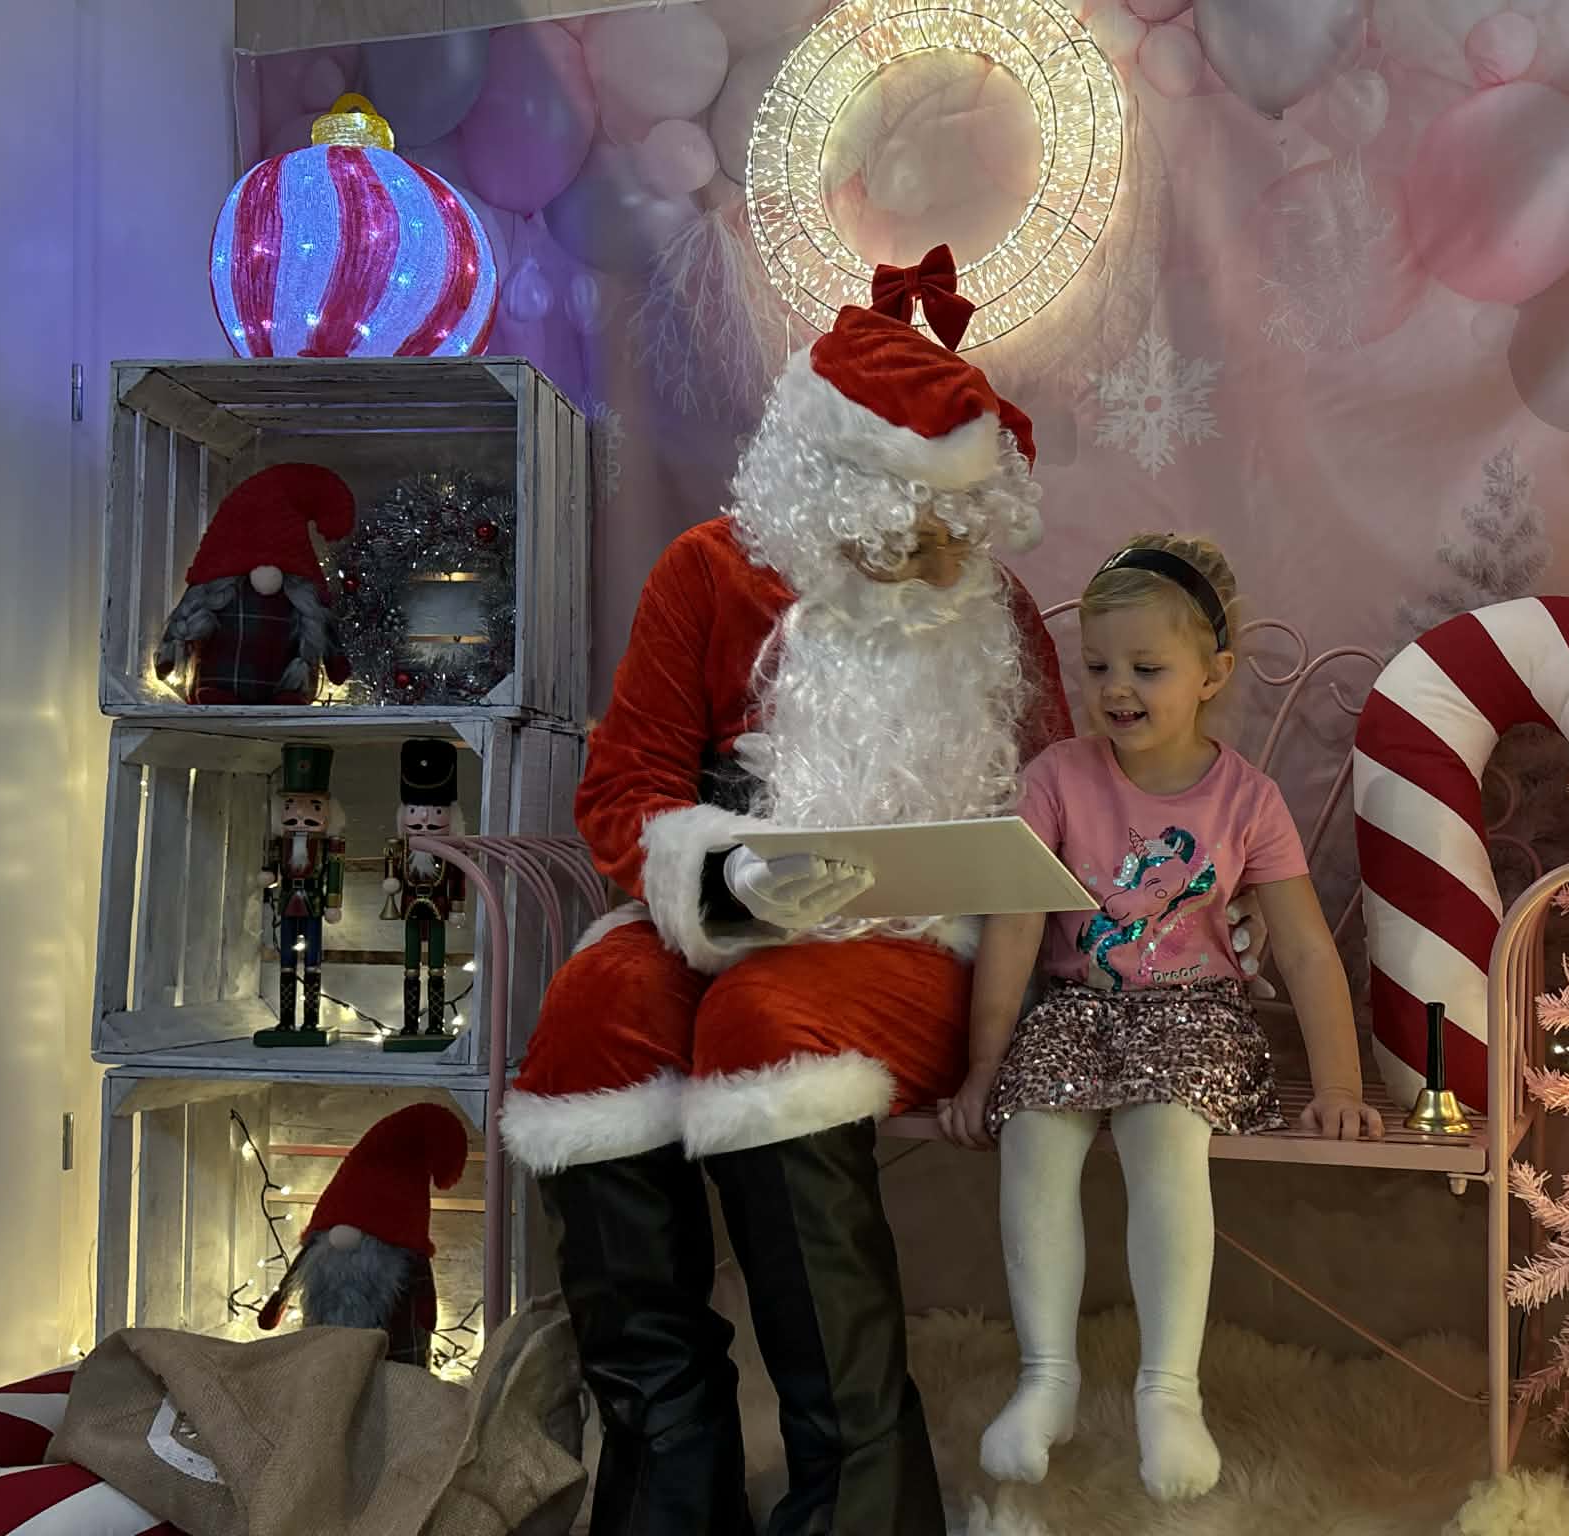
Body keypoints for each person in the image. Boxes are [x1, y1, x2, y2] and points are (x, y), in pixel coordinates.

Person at [499, 252, 1268, 1535]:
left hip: (932, 950)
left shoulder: (995, 607)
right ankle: (667, 1477)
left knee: (765, 1025)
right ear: (822, 487)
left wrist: (1180, 904)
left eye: (953, 523)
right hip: (724, 914)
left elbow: (1074, 814)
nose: (929, 552)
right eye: (901, 521)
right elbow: (623, 789)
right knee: (594, 1009)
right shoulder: (708, 574)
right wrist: (728, 879)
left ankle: (859, 1497)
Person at [938, 534, 1383, 1503]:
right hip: (1077, 1010)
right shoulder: (1057, 778)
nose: (1116, 689)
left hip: (1197, 1016)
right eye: (1097, 666)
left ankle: (1168, 1391)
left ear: (1212, 674)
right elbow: (1014, 931)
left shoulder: (1246, 798)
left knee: (1163, 1130)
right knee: (1033, 1127)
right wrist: (981, 1070)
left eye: (1146, 668)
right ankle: (1046, 1378)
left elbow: (1307, 950)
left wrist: (1341, 1085)